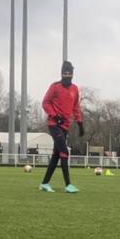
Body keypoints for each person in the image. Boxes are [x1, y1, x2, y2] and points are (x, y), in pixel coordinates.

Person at [39, 60, 83, 194]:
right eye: (65, 74)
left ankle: (45, 183)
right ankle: (68, 184)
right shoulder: (55, 87)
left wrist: (80, 123)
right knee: (64, 151)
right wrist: (54, 115)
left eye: (69, 74)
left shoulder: (75, 89)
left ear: (72, 75)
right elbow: (45, 103)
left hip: (65, 126)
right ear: (61, 74)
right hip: (54, 125)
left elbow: (76, 107)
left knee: (56, 155)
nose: (67, 76)